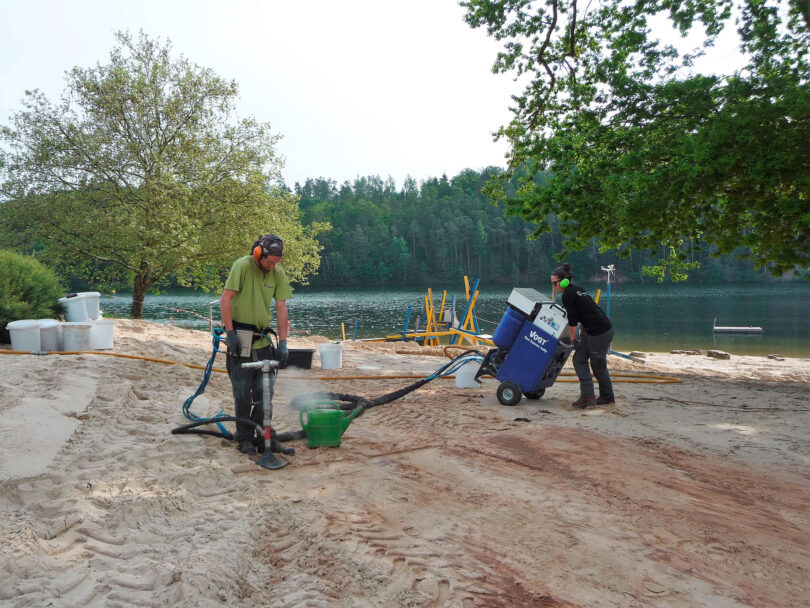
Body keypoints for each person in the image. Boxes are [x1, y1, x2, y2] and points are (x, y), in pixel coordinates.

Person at [220, 234, 293, 454]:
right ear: (258, 254)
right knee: (242, 390)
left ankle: (263, 437)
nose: (272, 266)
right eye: (269, 261)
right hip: (240, 333)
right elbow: (226, 300)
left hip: (263, 338)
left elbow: (281, 308)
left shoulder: (277, 273)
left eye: (276, 263)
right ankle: (244, 438)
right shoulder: (242, 266)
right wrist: (230, 332)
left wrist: (283, 343)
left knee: (265, 390)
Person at [551, 263, 614, 409]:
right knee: (579, 359)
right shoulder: (578, 290)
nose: (554, 287)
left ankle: (605, 396)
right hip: (594, 331)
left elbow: (573, 321)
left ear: (564, 281)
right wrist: (583, 331)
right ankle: (588, 396)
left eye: (555, 283)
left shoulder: (568, 294)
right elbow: (587, 311)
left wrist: (572, 340)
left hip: (600, 332)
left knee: (598, 365)